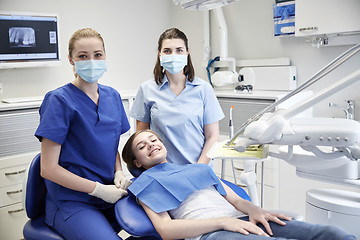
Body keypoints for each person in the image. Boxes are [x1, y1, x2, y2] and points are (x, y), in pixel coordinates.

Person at [122, 129, 357, 240]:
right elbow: (166, 230)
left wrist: (256, 210)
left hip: (242, 219)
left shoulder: (197, 168)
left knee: (328, 233)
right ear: (137, 162)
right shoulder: (146, 184)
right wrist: (224, 222)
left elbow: (234, 200)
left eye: (153, 139)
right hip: (211, 233)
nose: (151, 144)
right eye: (142, 146)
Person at [35, 28, 131, 240]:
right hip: (73, 202)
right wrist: (98, 190)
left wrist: (119, 173)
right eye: (83, 56)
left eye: (98, 55)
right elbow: (48, 169)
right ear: (71, 60)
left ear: (105, 56)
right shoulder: (58, 101)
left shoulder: (113, 96)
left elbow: (111, 144)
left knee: (161, 226)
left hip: (111, 195)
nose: (92, 61)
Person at [129, 28, 224, 166]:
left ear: (187, 53)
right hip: (162, 170)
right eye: (167, 51)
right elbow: (142, 138)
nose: (173, 55)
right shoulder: (146, 89)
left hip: (198, 168)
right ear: (159, 54)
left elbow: (212, 136)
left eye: (179, 50)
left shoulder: (203, 89)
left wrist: (199, 168)